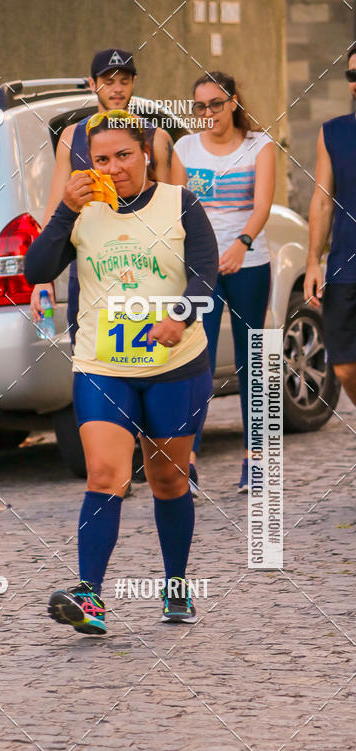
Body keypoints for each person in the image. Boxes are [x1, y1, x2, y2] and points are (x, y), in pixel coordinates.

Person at [25, 111, 218, 633]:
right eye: (102, 159)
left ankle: (176, 587)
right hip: (101, 365)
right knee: (105, 475)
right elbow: (36, 270)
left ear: (147, 153)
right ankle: (89, 596)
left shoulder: (181, 203)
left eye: (124, 155)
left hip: (175, 365)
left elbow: (204, 274)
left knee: (168, 479)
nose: (115, 167)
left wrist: (180, 315)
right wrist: (65, 211)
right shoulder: (82, 212)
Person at [30, 48, 180, 345]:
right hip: (89, 267)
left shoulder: (157, 138)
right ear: (92, 83)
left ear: (134, 82)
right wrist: (43, 279)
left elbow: (176, 210)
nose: (116, 88)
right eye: (108, 81)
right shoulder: (72, 137)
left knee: (147, 357)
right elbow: (56, 208)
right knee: (88, 355)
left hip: (144, 268)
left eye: (124, 80)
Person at [172, 71, 275, 493]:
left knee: (254, 360)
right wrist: (205, 259)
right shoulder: (185, 148)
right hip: (202, 269)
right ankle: (188, 463)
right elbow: (180, 210)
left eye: (216, 104)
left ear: (233, 102)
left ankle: (256, 462)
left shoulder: (259, 146)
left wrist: (241, 245)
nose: (208, 113)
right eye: (200, 106)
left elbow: (263, 204)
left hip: (250, 262)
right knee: (198, 361)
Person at [304, 44, 356, 408]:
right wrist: (312, 262)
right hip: (344, 267)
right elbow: (322, 200)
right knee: (344, 369)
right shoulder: (333, 133)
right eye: (352, 75)